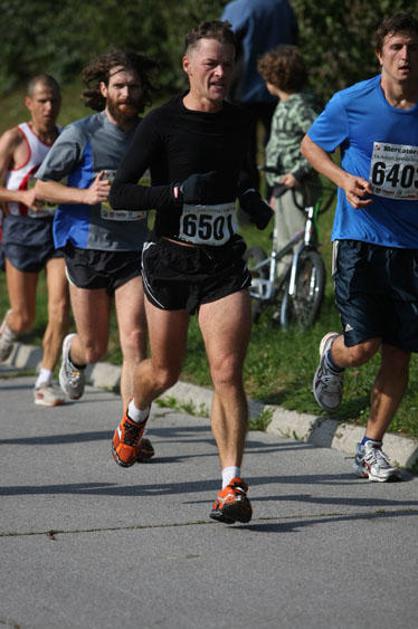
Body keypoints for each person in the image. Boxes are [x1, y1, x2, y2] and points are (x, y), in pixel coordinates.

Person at [109, 20, 273, 524]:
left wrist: (251, 197)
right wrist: (176, 194)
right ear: (189, 66)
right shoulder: (161, 122)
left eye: (228, 64)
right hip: (171, 259)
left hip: (222, 260)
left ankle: (231, 485)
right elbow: (121, 192)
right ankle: (135, 414)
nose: (221, 72)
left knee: (227, 372)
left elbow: (243, 171)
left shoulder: (241, 119)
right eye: (211, 64)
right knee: (166, 371)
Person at [301, 12, 418, 482]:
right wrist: (344, 179)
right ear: (379, 55)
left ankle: (370, 446)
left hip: (411, 247)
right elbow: (311, 147)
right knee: (364, 346)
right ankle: (333, 354)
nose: (406, 56)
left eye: (413, 47)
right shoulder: (352, 102)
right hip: (360, 240)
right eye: (396, 47)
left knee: (399, 352)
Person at [35, 50, 156, 460]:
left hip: (132, 248)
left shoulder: (150, 134)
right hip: (86, 247)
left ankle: (129, 432)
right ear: (103, 89)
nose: (127, 93)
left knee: (135, 341)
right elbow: (42, 187)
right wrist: (85, 195)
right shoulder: (81, 133)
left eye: (133, 86)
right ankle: (73, 354)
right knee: (95, 348)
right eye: (119, 86)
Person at [0, 74, 69, 407]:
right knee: (24, 317)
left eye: (54, 100)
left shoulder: (67, 139)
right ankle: (8, 331)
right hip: (21, 230)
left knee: (60, 306)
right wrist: (22, 196)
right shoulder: (14, 138)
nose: (49, 106)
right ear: (29, 103)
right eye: (42, 100)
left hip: (56, 230)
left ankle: (44, 381)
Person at [257, 45, 321, 277]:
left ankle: (303, 289)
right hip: (283, 185)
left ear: (275, 79)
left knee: (298, 239)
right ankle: (282, 287)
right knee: (283, 239)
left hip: (297, 184)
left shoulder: (299, 107)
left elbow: (320, 142)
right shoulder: (286, 104)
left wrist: (298, 173)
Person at [221, 0, 299, 189]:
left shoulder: (239, 7)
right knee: (279, 146)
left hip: (243, 88)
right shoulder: (283, 6)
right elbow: (294, 39)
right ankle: (277, 194)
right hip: (279, 88)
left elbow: (222, 42)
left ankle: (250, 198)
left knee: (244, 152)